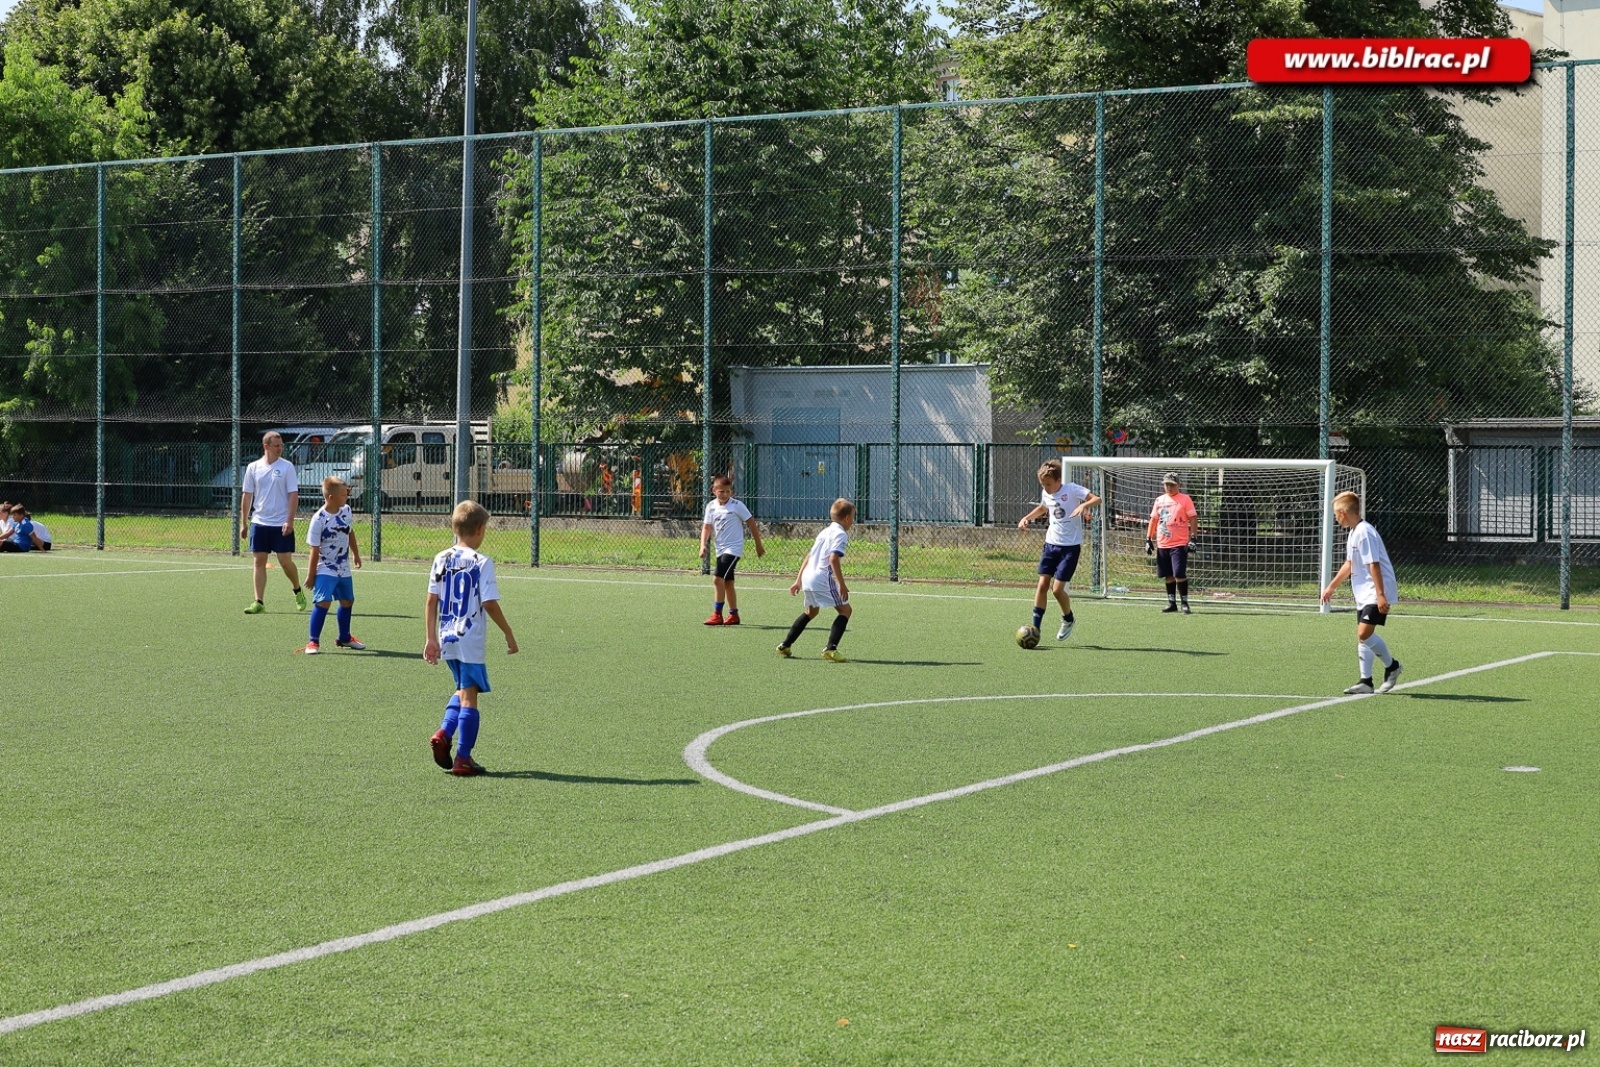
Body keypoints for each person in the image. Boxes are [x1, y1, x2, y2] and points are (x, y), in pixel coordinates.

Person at [425, 501, 519, 776]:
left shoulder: (440, 558)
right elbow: (489, 603)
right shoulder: (482, 562)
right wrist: (508, 633)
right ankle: (463, 757)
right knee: (470, 698)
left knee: (463, 689)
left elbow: (431, 601)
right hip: (470, 640)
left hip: (446, 637)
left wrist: (430, 639)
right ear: (479, 530)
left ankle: (444, 734)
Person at [1320, 490, 1403, 695]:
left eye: (1336, 514)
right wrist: (1331, 587)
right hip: (1365, 593)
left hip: (1376, 591)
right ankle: (1366, 681)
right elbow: (1349, 564)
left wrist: (1381, 595)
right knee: (1363, 637)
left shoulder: (1364, 532)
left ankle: (1392, 667)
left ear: (1343, 512)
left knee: (1363, 633)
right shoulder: (1354, 532)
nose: (1336, 518)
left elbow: (1374, 564)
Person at [1017, 459, 1100, 640]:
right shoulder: (1046, 493)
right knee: (1042, 585)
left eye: (1048, 484)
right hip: (1050, 545)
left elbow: (1097, 498)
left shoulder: (1071, 489)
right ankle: (1035, 629)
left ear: (1057, 480)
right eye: (1043, 485)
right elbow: (1043, 507)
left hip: (1069, 548)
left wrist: (1084, 505)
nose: (1045, 488)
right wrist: (1026, 518)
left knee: (1057, 590)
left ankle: (1068, 618)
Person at [776, 499, 854, 661]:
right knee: (846, 611)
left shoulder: (824, 532)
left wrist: (798, 580)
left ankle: (785, 645)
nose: (853, 521)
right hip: (821, 577)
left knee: (811, 612)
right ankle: (830, 649)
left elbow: (809, 555)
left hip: (808, 576)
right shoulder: (840, 534)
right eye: (853, 517)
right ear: (847, 518)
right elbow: (833, 559)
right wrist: (841, 584)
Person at [240, 431, 307, 614]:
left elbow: (293, 495)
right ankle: (258, 602)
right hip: (260, 522)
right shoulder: (253, 467)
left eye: (281, 445)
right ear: (266, 446)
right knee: (259, 561)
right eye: (277, 445)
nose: (280, 448)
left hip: (281, 523)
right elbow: (247, 495)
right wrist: (244, 522)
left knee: (285, 562)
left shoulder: (287, 467)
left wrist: (289, 520)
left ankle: (297, 590)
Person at [303, 476, 365, 655]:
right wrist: (311, 574)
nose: (347, 497)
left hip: (343, 566)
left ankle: (344, 638)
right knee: (323, 601)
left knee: (347, 601)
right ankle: (313, 642)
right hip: (325, 567)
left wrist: (355, 554)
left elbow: (349, 532)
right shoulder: (318, 519)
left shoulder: (346, 510)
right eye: (345, 494)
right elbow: (314, 550)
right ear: (331, 497)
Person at [699, 474, 766, 625]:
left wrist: (758, 545)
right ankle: (734, 615)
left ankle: (717, 614)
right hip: (720, 549)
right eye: (721, 491)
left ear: (732, 492)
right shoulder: (711, 506)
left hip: (733, 549)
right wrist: (703, 545)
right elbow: (706, 527)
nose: (724, 494)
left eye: (728, 491)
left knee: (717, 579)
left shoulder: (737, 506)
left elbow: (751, 523)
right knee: (728, 582)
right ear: (714, 490)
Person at [1146, 472, 1198, 614]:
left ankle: (1185, 603)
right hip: (1163, 544)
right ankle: (1172, 603)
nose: (1169, 487)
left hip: (1179, 544)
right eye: (1166, 484)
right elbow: (1154, 519)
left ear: (1178, 485)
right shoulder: (1159, 500)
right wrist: (1148, 538)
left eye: (1172, 484)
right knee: (1168, 574)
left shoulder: (1185, 499)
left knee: (1179, 573)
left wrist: (1193, 538)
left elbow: (1193, 518)